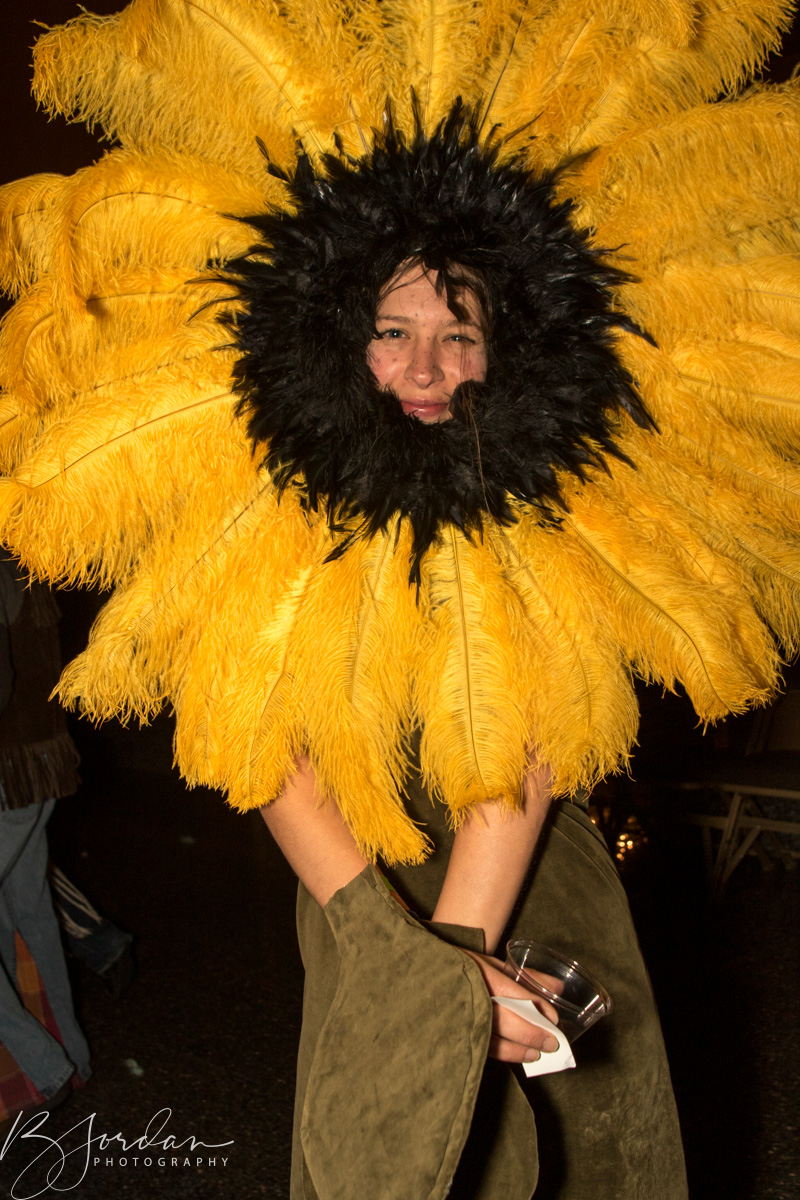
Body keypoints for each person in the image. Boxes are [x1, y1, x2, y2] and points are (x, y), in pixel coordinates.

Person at [1, 2, 799, 1196]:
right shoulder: (260, 482)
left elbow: (526, 744)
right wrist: (385, 948)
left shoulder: (553, 481)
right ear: (338, 333)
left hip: (526, 875)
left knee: (573, 1156)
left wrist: (456, 962)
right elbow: (257, 741)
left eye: (457, 333)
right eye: (390, 330)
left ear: (506, 346)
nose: (425, 369)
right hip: (354, 889)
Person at [0, 559, 90, 1120]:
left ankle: (44, 1067)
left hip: (10, 773)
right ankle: (71, 1060)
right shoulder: (23, 556)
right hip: (39, 766)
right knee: (30, 912)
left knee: (27, 914)